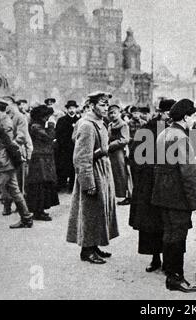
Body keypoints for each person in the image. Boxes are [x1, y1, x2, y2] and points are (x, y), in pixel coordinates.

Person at [151, 99, 196, 293]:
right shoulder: (181, 137)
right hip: (177, 195)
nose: (195, 120)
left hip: (163, 192)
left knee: (169, 233)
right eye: (194, 116)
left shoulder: (164, 133)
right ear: (186, 117)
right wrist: (194, 202)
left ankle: (170, 272)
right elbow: (188, 173)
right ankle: (176, 277)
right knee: (178, 236)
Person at [66, 91, 118, 264]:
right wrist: (88, 183)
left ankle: (94, 245)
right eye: (102, 105)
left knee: (99, 211)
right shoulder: (87, 125)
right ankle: (86, 251)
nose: (105, 108)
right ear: (91, 105)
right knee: (90, 212)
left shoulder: (99, 123)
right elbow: (81, 157)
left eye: (106, 105)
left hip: (102, 170)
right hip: (92, 172)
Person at [129, 98, 175, 274]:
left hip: (169, 183)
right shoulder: (147, 129)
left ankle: (169, 258)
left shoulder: (176, 129)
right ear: (161, 113)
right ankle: (155, 257)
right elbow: (135, 157)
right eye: (169, 113)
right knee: (152, 223)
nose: (171, 117)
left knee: (169, 222)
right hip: (150, 183)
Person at [0, 96, 33, 231]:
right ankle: (26, 218)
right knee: (14, 191)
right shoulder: (1, 120)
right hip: (5, 162)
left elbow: (11, 144)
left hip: (3, 163)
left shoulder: (3, 122)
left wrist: (13, 160)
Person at [25, 105, 59, 221]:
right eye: (47, 116)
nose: (48, 118)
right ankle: (38, 211)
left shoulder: (37, 125)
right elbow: (49, 137)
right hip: (40, 159)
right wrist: (51, 125)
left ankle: (40, 210)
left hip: (43, 158)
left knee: (43, 185)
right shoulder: (36, 127)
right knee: (39, 185)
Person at [1, 96, 33, 216]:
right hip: (4, 153)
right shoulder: (2, 116)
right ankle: (7, 204)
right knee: (5, 180)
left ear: (13, 104)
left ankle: (20, 207)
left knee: (17, 181)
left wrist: (10, 145)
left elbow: (22, 136)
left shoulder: (20, 117)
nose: (7, 106)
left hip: (16, 152)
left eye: (9, 103)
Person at [107, 104, 132, 205]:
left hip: (120, 152)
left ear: (119, 113)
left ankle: (126, 195)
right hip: (111, 153)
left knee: (122, 173)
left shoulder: (123, 124)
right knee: (114, 173)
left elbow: (125, 139)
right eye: (110, 113)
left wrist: (111, 145)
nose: (112, 115)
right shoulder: (110, 125)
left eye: (114, 113)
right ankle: (117, 195)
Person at [55, 100, 80, 192]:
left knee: (74, 167)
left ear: (76, 109)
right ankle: (62, 185)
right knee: (63, 166)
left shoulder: (79, 121)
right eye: (70, 108)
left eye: (73, 108)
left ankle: (72, 186)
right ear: (67, 109)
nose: (71, 110)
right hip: (64, 148)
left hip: (75, 147)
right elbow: (58, 134)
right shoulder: (61, 120)